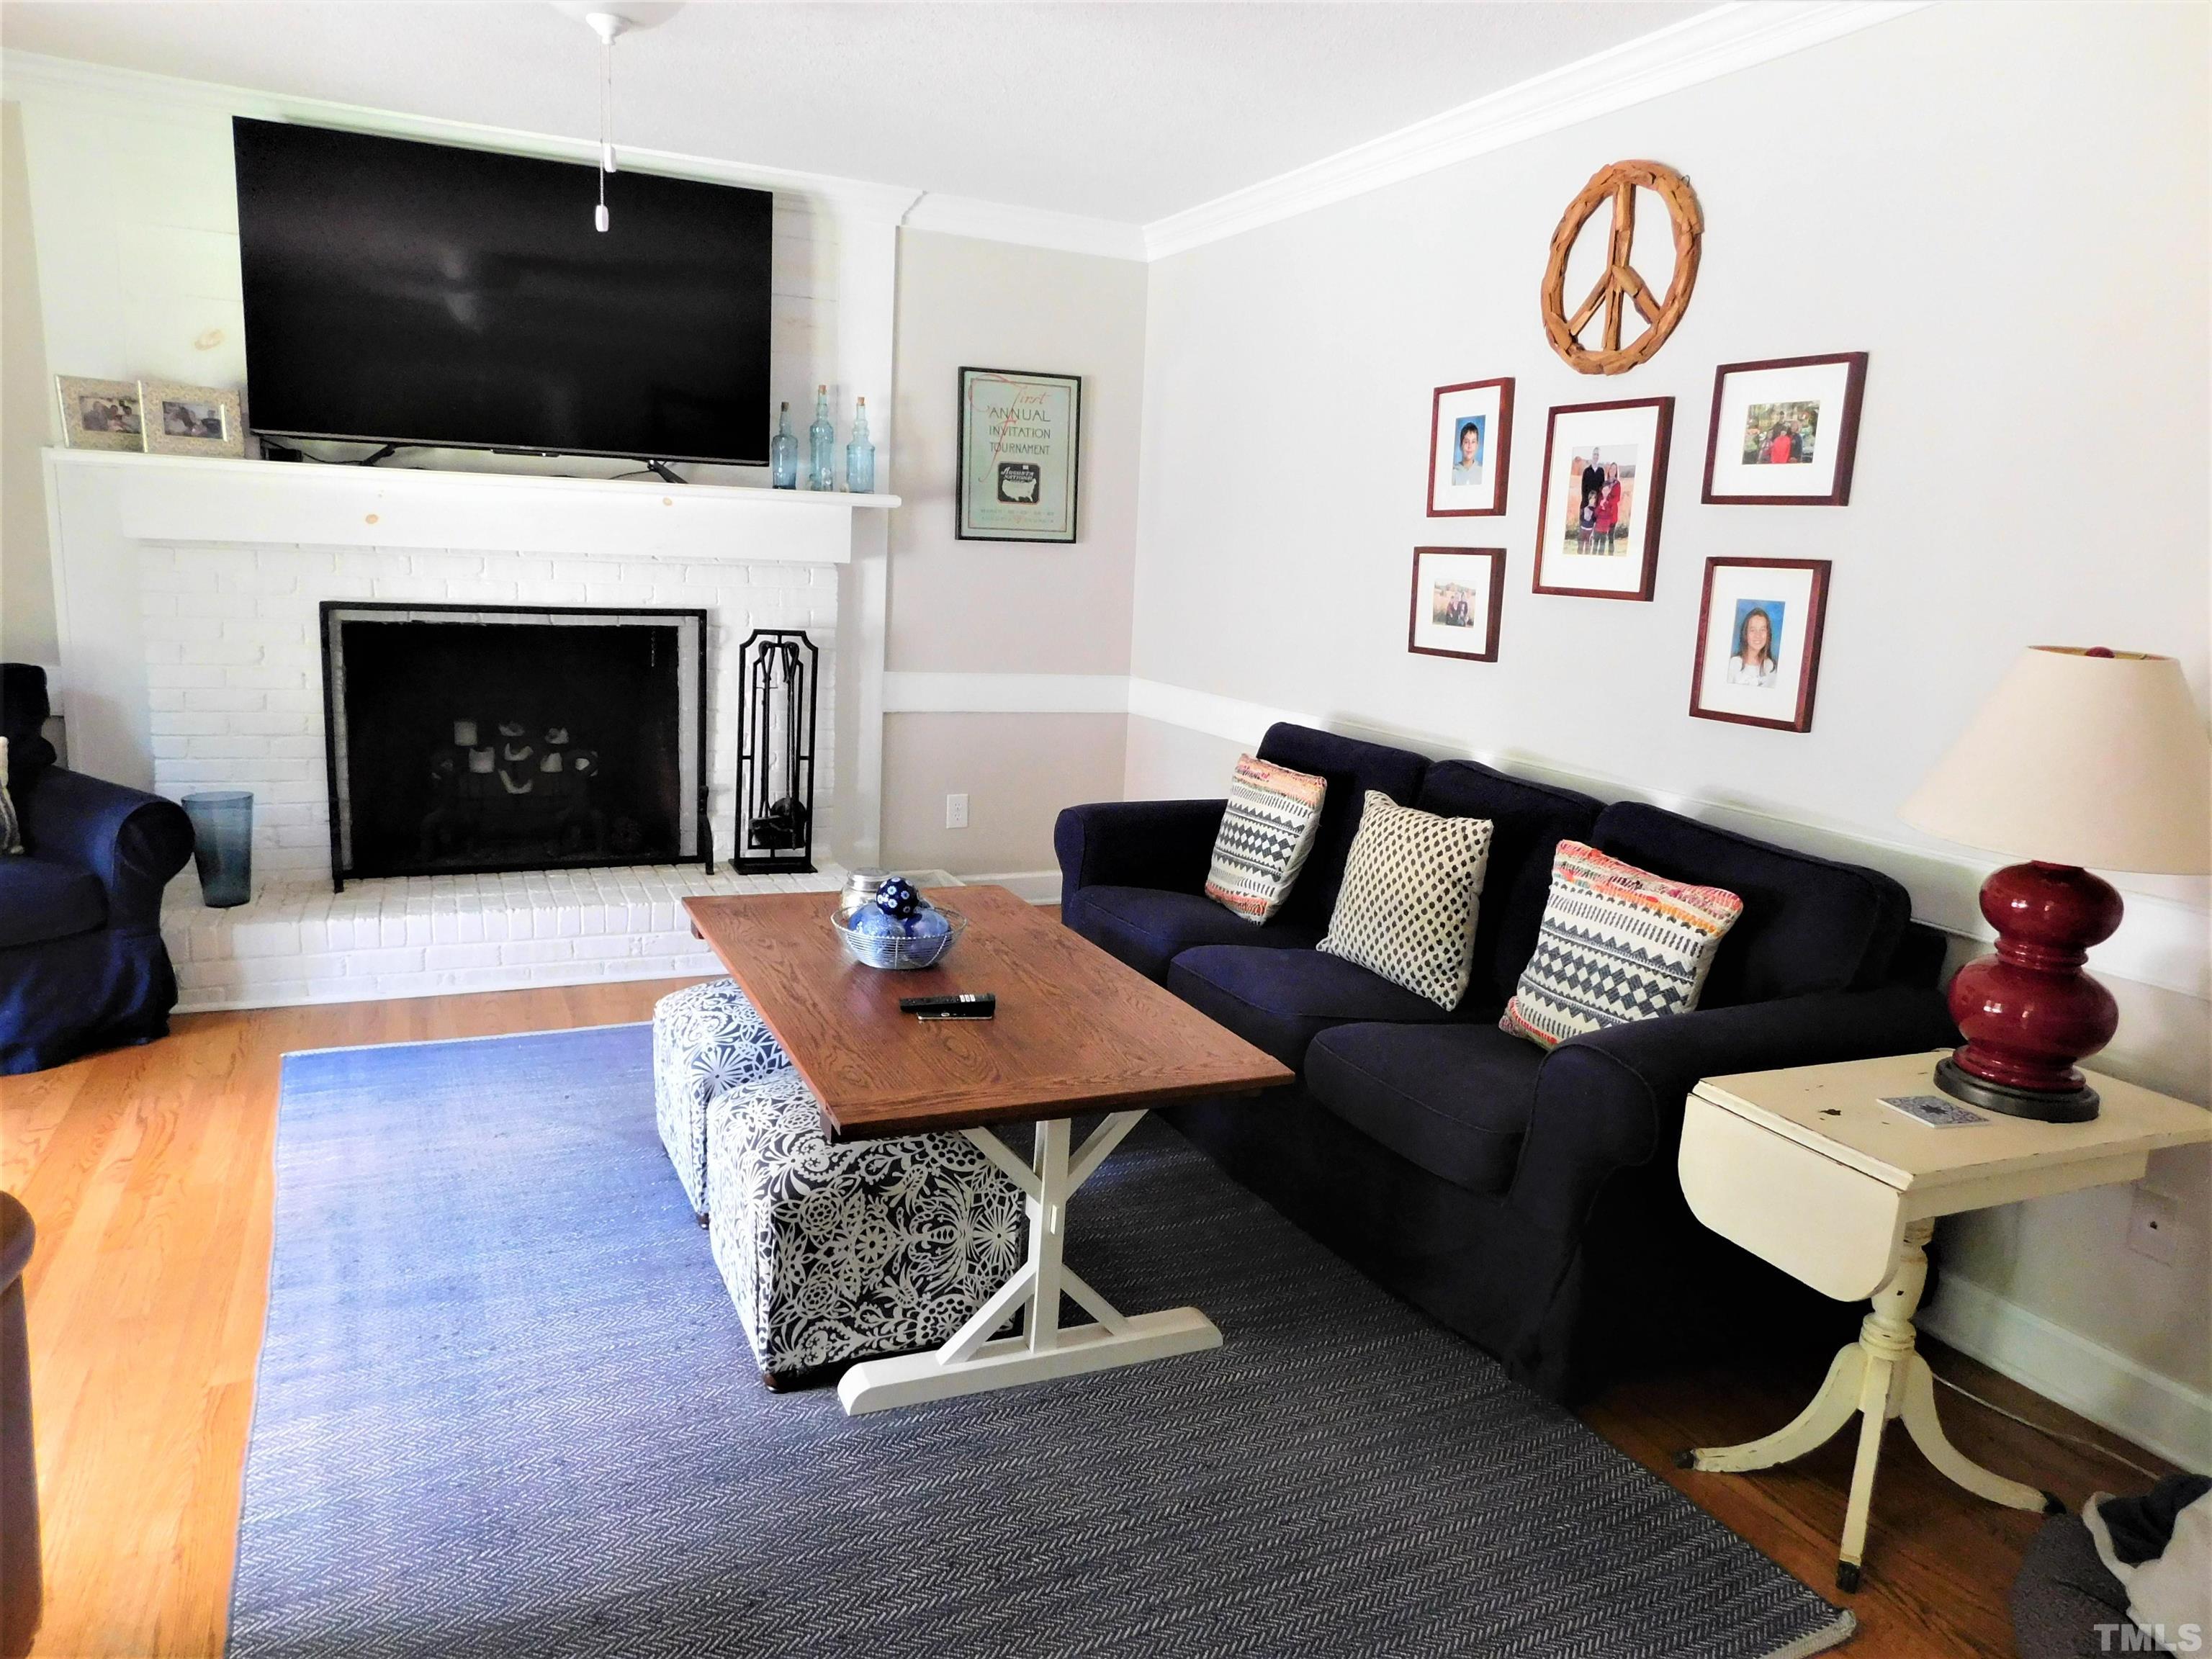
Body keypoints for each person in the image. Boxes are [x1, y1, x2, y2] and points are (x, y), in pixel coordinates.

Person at [1728, 606, 1780, 687]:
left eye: (1762, 630)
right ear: (1745, 634)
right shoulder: (1734, 664)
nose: (1758, 635)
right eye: (1753, 630)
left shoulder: (1770, 667)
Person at [1452, 419, 1484, 487]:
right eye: (1466, 442)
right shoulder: (1453, 473)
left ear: (1477, 446)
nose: (1470, 446)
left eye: (1473, 442)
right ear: (1461, 445)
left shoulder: (1482, 473)